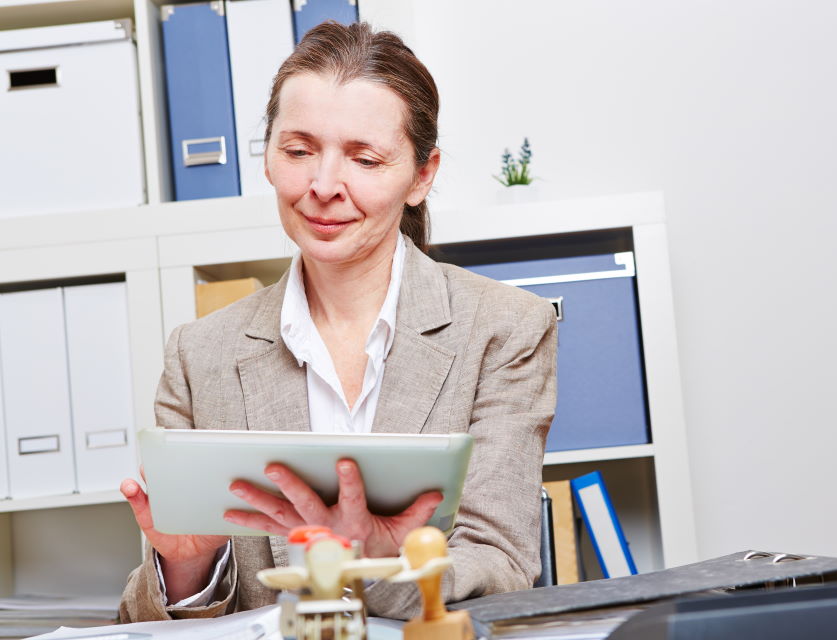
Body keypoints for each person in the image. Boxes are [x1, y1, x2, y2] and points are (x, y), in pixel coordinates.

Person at [118, 21, 557, 622]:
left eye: (365, 158)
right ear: (268, 157)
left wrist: (377, 559)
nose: (323, 186)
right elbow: (153, 623)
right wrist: (187, 568)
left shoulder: (506, 330)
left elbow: (500, 566)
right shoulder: (200, 357)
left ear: (421, 177)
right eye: (298, 151)